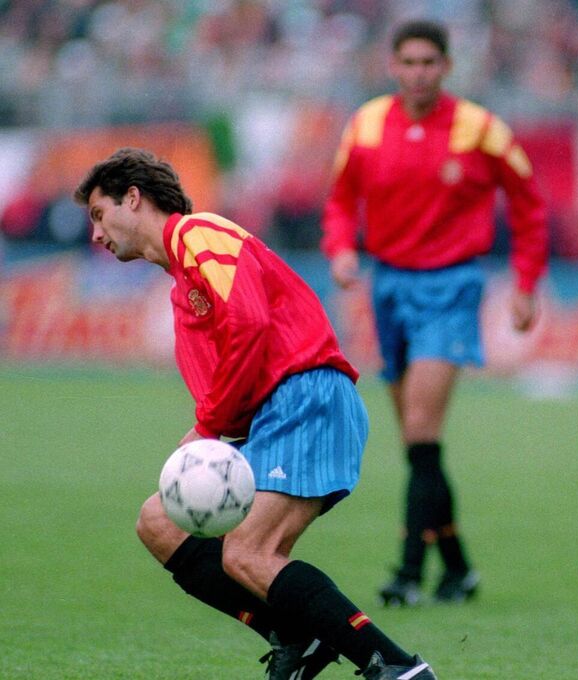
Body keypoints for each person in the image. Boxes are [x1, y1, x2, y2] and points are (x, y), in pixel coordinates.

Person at [75, 147, 435, 680]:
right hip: (272, 417)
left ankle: (399, 669)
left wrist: (206, 429)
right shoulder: (182, 286)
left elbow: (248, 324)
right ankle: (294, 632)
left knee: (248, 553)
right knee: (159, 523)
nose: (97, 235)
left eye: (100, 215)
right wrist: (211, 434)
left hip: (305, 397)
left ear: (133, 198)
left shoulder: (199, 234)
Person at [321, 19, 549, 608]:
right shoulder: (366, 124)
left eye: (429, 62)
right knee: (418, 444)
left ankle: (407, 572)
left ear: (446, 67)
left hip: (452, 288)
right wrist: (342, 250)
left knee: (421, 432)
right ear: (392, 66)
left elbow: (529, 206)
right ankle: (458, 567)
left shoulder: (480, 129)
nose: (419, 72)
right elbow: (341, 201)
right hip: (389, 287)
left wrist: (525, 284)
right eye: (408, 62)